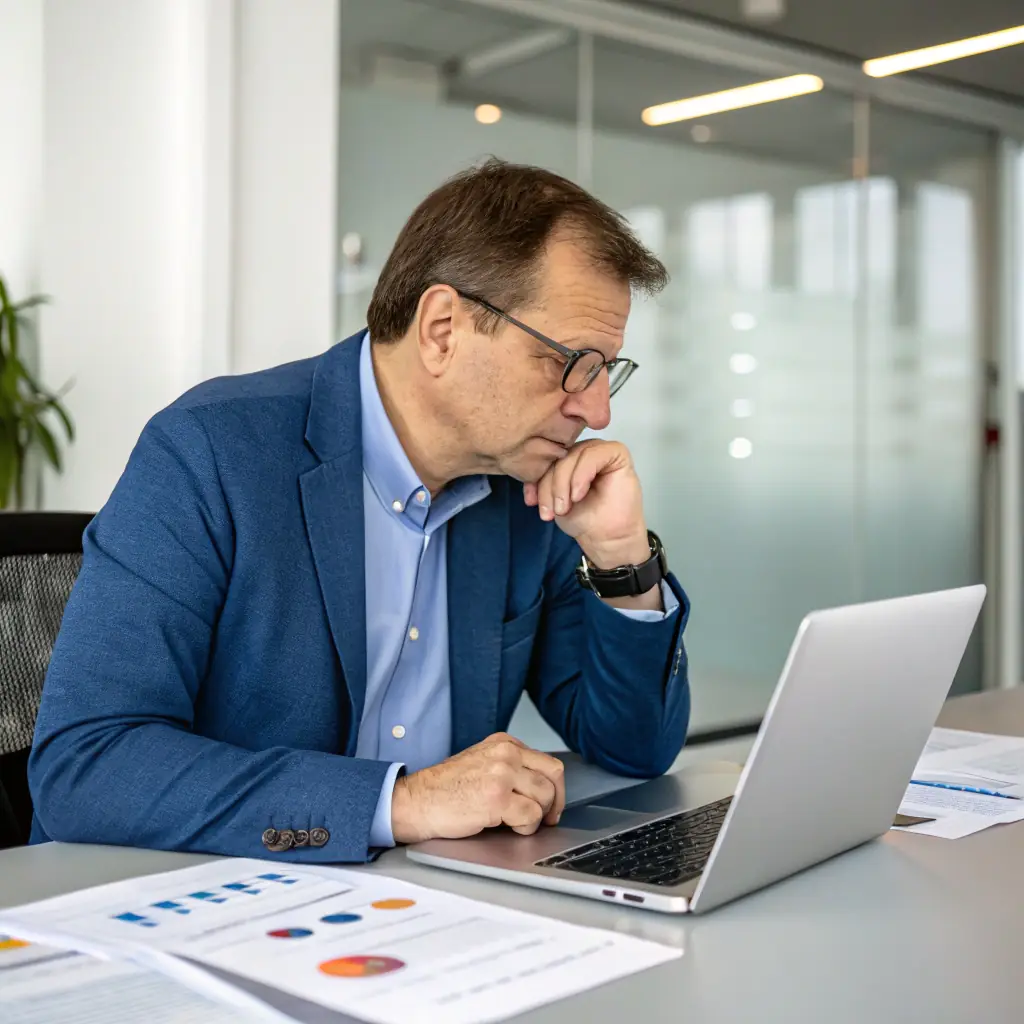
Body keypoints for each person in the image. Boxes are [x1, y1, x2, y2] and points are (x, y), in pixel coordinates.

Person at [29, 159, 691, 863]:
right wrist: (401, 803)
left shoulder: (526, 489)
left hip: (422, 900)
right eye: (573, 362)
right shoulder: (209, 451)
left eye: (606, 370)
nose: (597, 410)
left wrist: (622, 561)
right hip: (194, 893)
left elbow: (634, 749)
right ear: (442, 330)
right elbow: (86, 765)